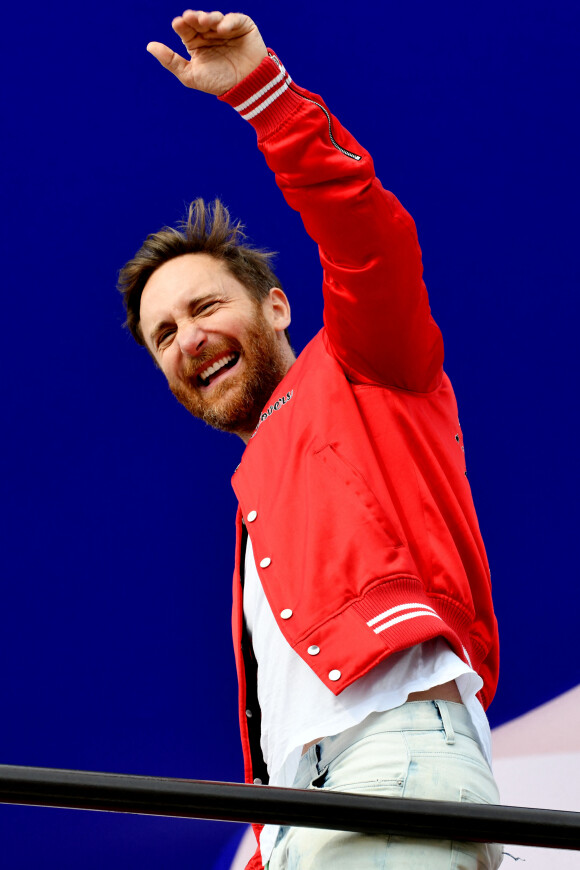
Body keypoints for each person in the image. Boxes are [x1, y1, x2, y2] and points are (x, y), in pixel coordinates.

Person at [118, 10, 502, 870]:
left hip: (389, 768)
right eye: (163, 335)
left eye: (205, 306)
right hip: (302, 811)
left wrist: (265, 95)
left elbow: (366, 235)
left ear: (278, 306)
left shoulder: (363, 366)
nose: (186, 339)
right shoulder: (259, 491)